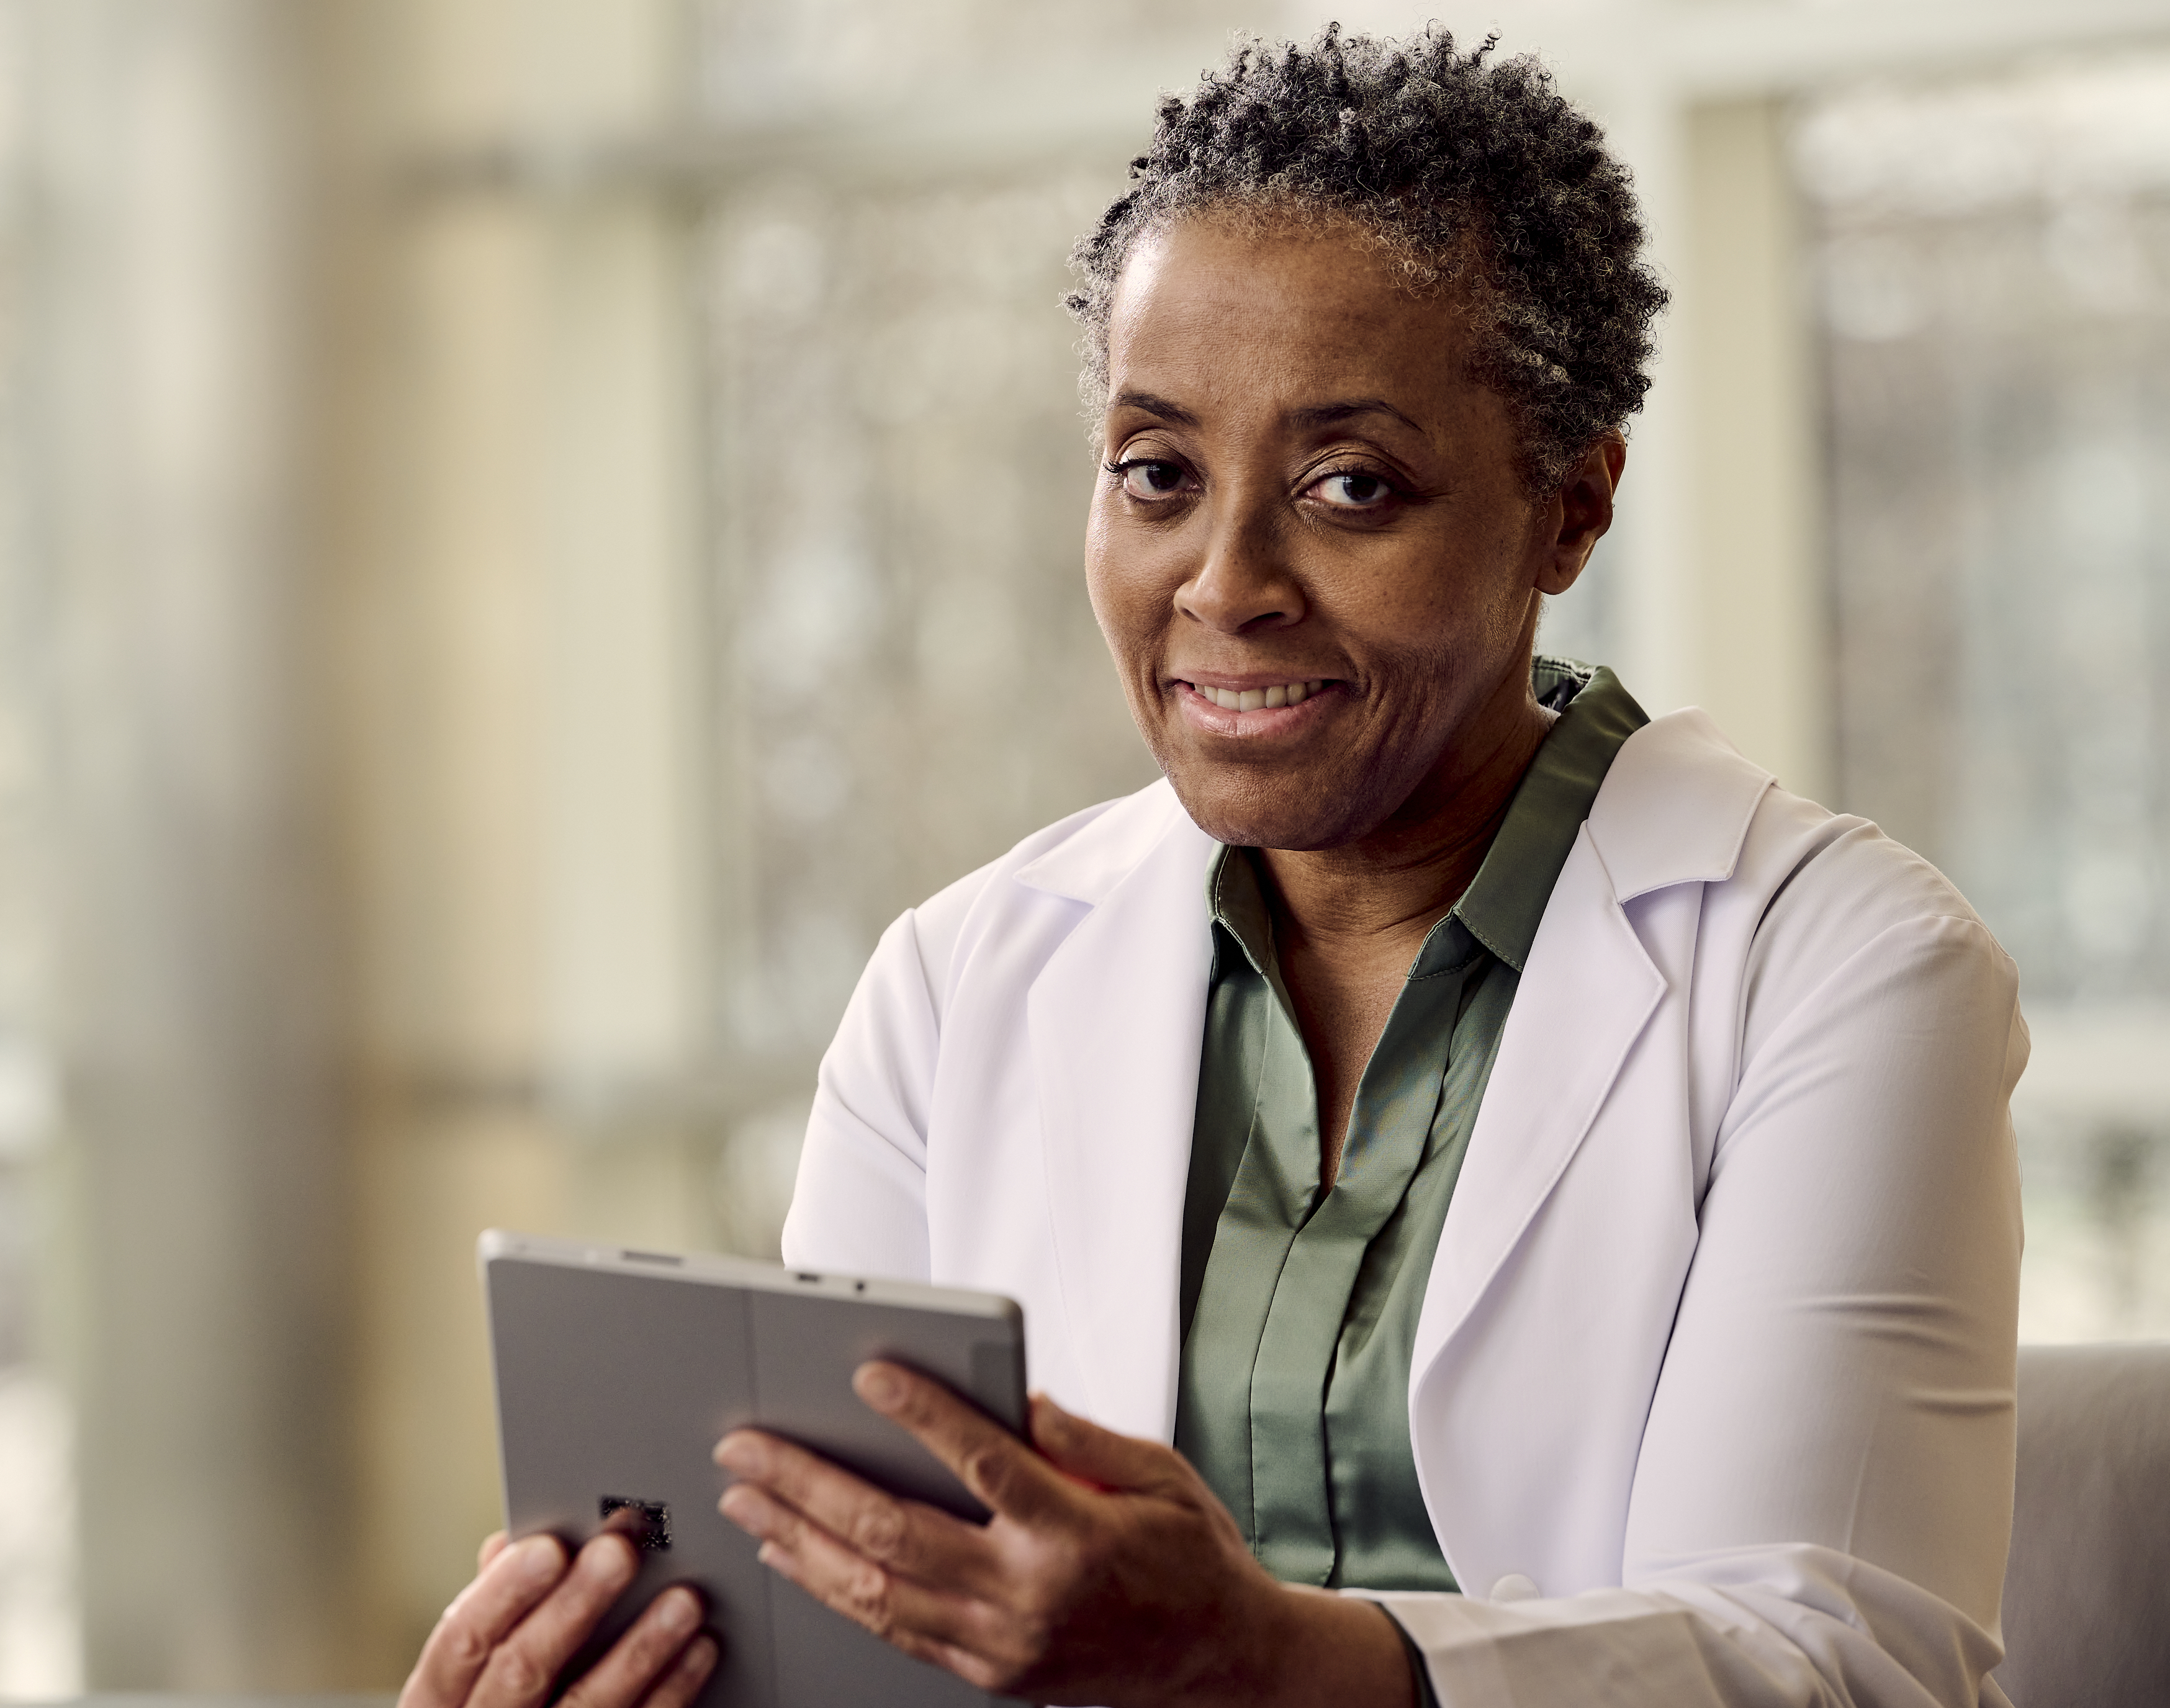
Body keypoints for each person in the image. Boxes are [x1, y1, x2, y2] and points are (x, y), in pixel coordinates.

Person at [400, 25, 2026, 1708]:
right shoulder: (960, 985)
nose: (1225, 582)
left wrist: (1268, 1661)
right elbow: (864, 1642)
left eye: (1349, 485)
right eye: (1158, 474)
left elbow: (1841, 1662)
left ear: (1571, 505)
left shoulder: (1841, 967)